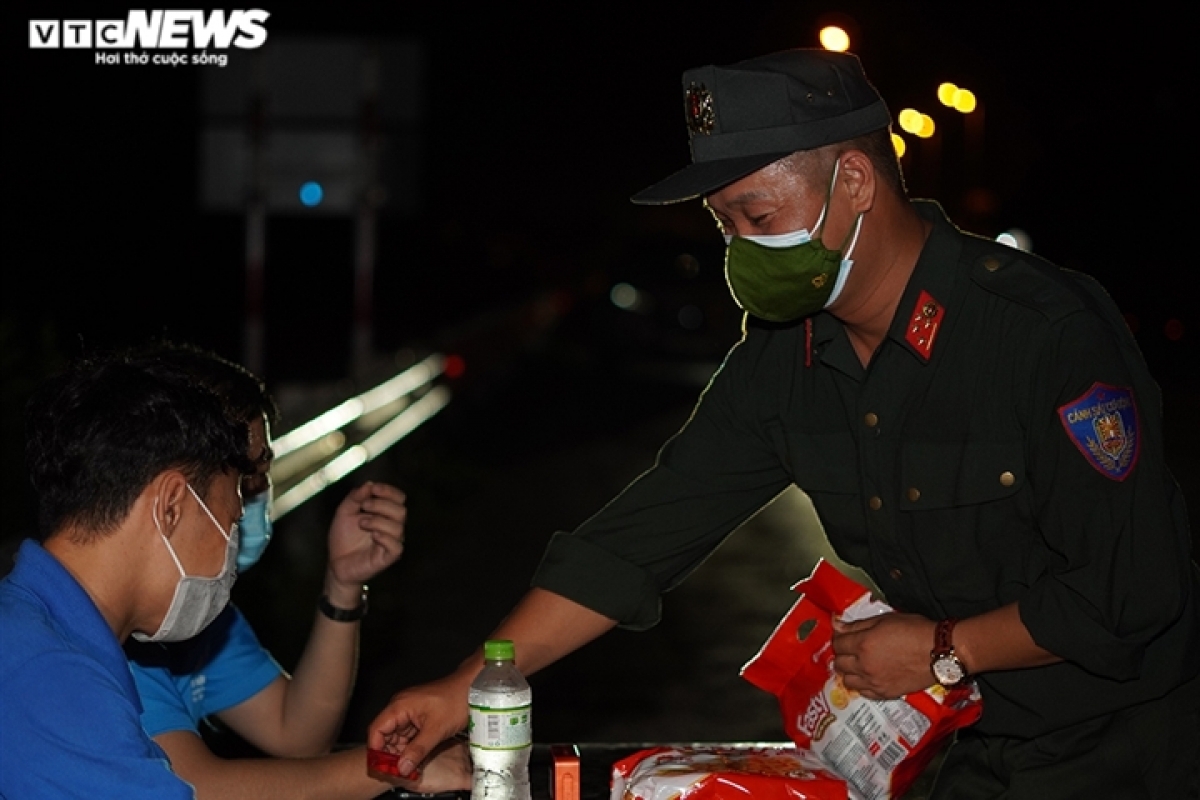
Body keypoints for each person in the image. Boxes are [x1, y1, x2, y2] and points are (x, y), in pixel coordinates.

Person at [367, 49, 1200, 798]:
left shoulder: (1036, 332)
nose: (738, 249)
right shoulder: (786, 358)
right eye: (724, 224)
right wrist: (465, 689)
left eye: (758, 218)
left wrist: (947, 647)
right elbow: (636, 539)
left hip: (1121, 747)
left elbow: (1134, 590)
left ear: (855, 182)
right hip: (960, 751)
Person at [123, 343, 470, 799]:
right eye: (245, 482)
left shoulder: (193, 614)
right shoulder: (104, 631)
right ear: (172, 498)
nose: (255, 501)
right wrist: (393, 768)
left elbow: (297, 735)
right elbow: (193, 789)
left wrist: (342, 584)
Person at [0, 351, 251, 798]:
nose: (232, 551)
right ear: (171, 506)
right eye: (231, 523)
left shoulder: (37, 638)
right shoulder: (51, 679)